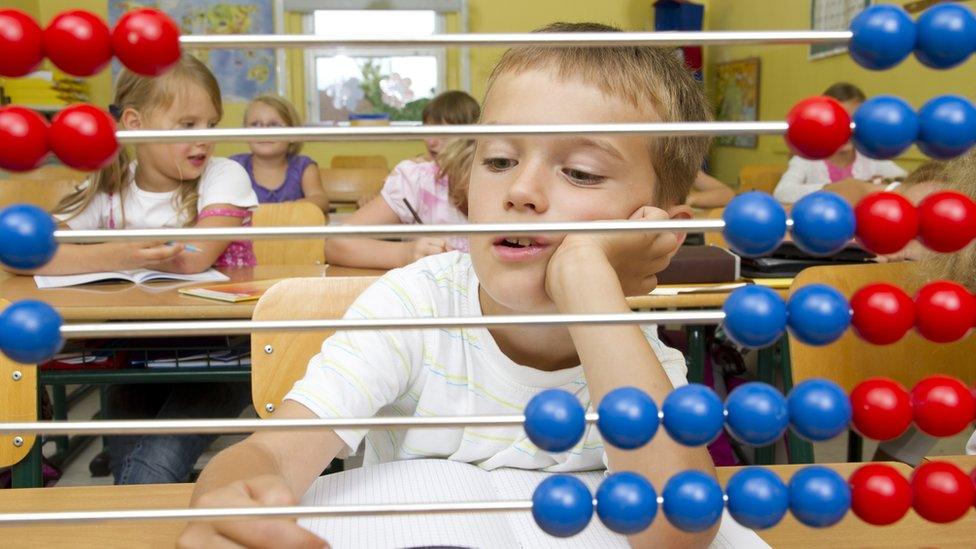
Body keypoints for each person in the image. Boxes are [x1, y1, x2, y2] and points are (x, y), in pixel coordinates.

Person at [179, 22, 718, 548]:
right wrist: (234, 501)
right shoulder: (414, 306)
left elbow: (679, 528)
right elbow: (271, 455)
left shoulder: (635, 353)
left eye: (579, 172)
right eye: (499, 160)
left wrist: (587, 282)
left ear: (656, 230)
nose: (521, 190)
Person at [24, 55, 258, 484]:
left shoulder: (224, 174)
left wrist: (105, 250)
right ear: (134, 122)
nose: (204, 138)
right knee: (130, 473)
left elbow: (194, 256)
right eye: (187, 125)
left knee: (148, 469)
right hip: (132, 356)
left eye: (211, 124)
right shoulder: (110, 185)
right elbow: (34, 253)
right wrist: (120, 254)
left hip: (222, 357)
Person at [324, 91, 480, 268]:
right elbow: (336, 243)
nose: (431, 142)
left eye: (443, 133)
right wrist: (407, 253)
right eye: (427, 130)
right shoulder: (416, 178)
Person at [773, 82, 907, 204]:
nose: (846, 130)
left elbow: (906, 180)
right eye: (838, 121)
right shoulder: (807, 160)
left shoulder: (870, 157)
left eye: (853, 121)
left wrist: (882, 185)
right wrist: (836, 189)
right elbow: (782, 192)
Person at [230, 94, 330, 213]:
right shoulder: (235, 166)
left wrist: (284, 210)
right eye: (255, 124)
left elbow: (321, 201)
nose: (264, 131)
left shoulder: (304, 166)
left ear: (293, 135)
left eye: (274, 125)